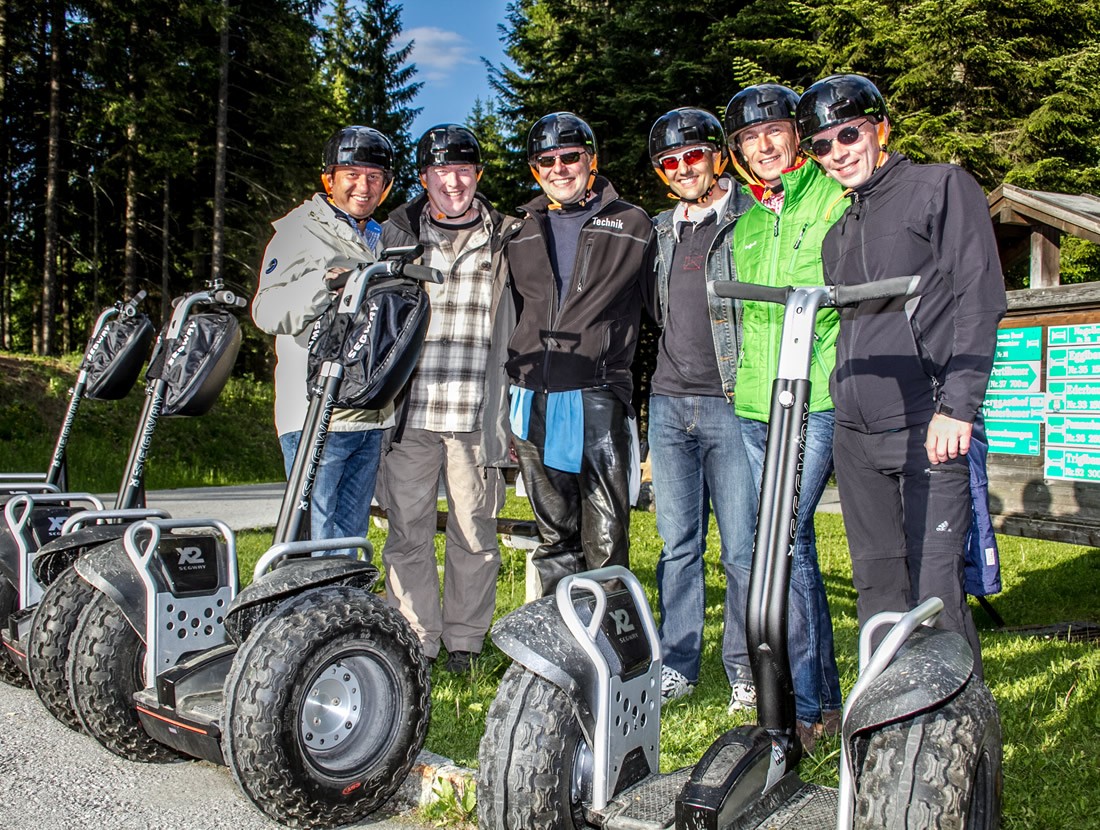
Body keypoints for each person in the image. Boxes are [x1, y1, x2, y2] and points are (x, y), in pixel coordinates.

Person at [796, 75, 1006, 678]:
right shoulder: (840, 232)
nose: (838, 152)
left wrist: (958, 406)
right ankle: (888, 726)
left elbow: (980, 299)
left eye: (848, 133)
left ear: (880, 127)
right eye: (822, 146)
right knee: (878, 588)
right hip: (857, 433)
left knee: (935, 590)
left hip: (928, 421)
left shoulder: (940, 187)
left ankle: (956, 729)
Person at [724, 84, 844, 748]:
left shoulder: (831, 197)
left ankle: (802, 703)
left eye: (773, 132)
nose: (764, 146)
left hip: (814, 395)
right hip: (754, 402)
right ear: (738, 152)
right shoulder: (744, 222)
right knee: (791, 551)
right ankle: (818, 697)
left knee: (785, 541)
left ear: (795, 135)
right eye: (749, 138)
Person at [377, 124, 522, 672]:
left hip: (476, 414)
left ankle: (464, 641)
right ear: (424, 178)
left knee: (474, 533)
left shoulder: (508, 236)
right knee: (406, 532)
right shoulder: (397, 235)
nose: (453, 181)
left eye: (464, 169)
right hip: (409, 413)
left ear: (478, 175)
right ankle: (417, 638)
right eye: (441, 171)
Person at [506, 112, 655, 597]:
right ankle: (560, 650)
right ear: (535, 169)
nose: (560, 167)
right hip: (532, 398)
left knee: (606, 536)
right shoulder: (520, 231)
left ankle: (614, 651)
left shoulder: (633, 223)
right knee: (554, 535)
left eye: (570, 156)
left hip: (597, 394)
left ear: (592, 160)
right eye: (546, 160)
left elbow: (665, 311)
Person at [645, 107, 759, 713]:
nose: (684, 168)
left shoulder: (750, 219)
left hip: (730, 404)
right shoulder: (660, 231)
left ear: (718, 155)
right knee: (678, 545)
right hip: (667, 405)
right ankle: (678, 662)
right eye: (671, 162)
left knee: (741, 545)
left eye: (693, 156)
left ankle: (742, 666)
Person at [252, 125, 396, 556]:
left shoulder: (381, 239)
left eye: (374, 177)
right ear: (328, 180)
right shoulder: (299, 231)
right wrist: (326, 284)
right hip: (316, 414)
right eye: (351, 173)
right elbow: (265, 310)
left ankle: (342, 618)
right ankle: (301, 619)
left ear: (386, 186)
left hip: (369, 416)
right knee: (311, 546)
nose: (363, 186)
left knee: (348, 545)